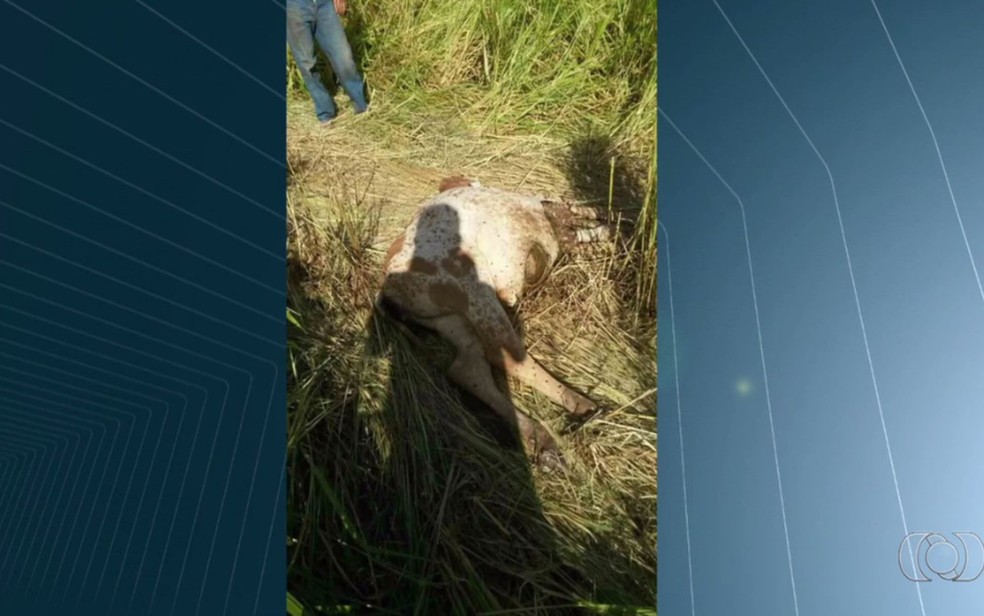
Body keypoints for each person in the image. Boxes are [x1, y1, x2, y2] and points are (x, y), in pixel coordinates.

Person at [286, 0, 368, 123]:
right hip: (294, 7)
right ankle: (325, 112)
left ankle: (361, 105)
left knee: (343, 56)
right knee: (307, 64)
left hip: (324, 5)